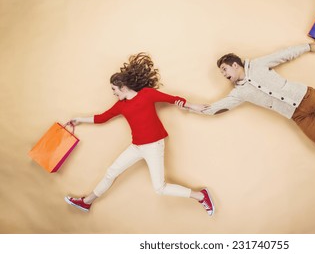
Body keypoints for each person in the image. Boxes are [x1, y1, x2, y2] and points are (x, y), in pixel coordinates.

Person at [64, 52, 214, 216]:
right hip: (136, 147)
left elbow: (173, 99)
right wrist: (79, 119)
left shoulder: (147, 94)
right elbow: (102, 118)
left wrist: (194, 106)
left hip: (153, 147)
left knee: (159, 188)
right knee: (111, 172)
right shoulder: (121, 105)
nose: (114, 93)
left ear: (123, 87)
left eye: (114, 89)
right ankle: (87, 202)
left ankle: (201, 196)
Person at [184, 42, 315, 150]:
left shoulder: (257, 64)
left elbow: (283, 55)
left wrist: (308, 47)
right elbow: (217, 108)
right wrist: (191, 107)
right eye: (222, 73)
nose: (224, 74)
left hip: (306, 96)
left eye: (224, 69)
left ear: (234, 64)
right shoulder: (238, 93)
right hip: (296, 115)